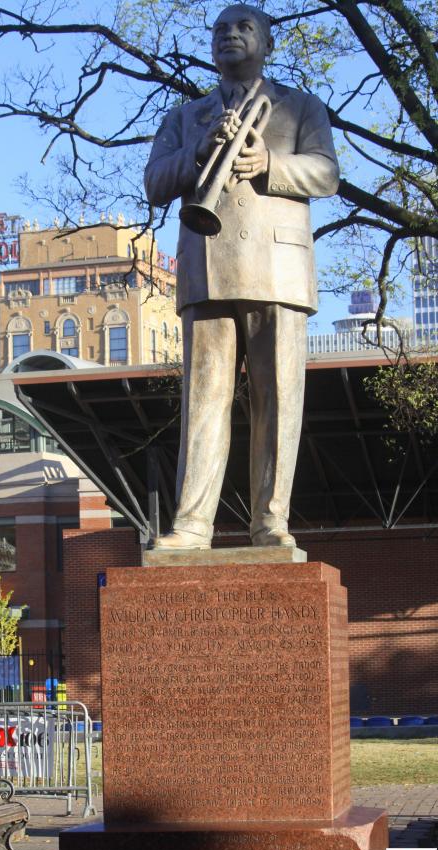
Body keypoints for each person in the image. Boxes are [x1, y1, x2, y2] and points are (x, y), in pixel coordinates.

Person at [144, 3, 339, 550]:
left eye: (244, 27)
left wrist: (270, 165)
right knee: (204, 400)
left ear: (268, 43)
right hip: (208, 266)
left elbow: (326, 173)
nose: (231, 35)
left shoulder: (301, 108)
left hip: (278, 267)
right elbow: (154, 181)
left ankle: (270, 521)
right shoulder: (186, 118)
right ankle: (192, 523)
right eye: (221, 30)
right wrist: (200, 151)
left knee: (278, 401)